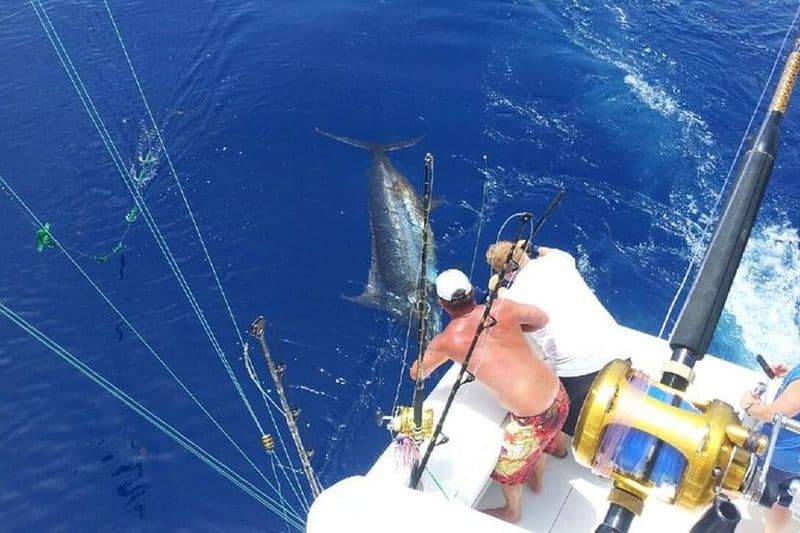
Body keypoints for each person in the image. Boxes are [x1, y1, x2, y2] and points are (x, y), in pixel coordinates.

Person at [410, 268, 568, 524]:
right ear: (473, 292)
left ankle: (512, 512)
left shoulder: (448, 340)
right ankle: (541, 477)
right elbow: (541, 318)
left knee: (505, 470)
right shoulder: (501, 307)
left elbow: (418, 374)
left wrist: (429, 347)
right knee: (547, 436)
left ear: (441, 303)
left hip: (533, 419)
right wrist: (511, 331)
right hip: (559, 394)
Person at [485, 241, 624, 453]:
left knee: (572, 420)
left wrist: (499, 287)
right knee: (619, 407)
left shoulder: (513, 297)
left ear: (506, 273)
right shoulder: (559, 260)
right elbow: (550, 252)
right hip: (618, 354)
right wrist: (533, 248)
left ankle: (605, 456)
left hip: (579, 373)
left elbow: (503, 306)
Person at [740, 361, 800, 533]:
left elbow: (774, 414)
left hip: (774, 459)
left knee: (730, 484)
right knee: (784, 499)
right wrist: (791, 375)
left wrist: (748, 405)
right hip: (794, 463)